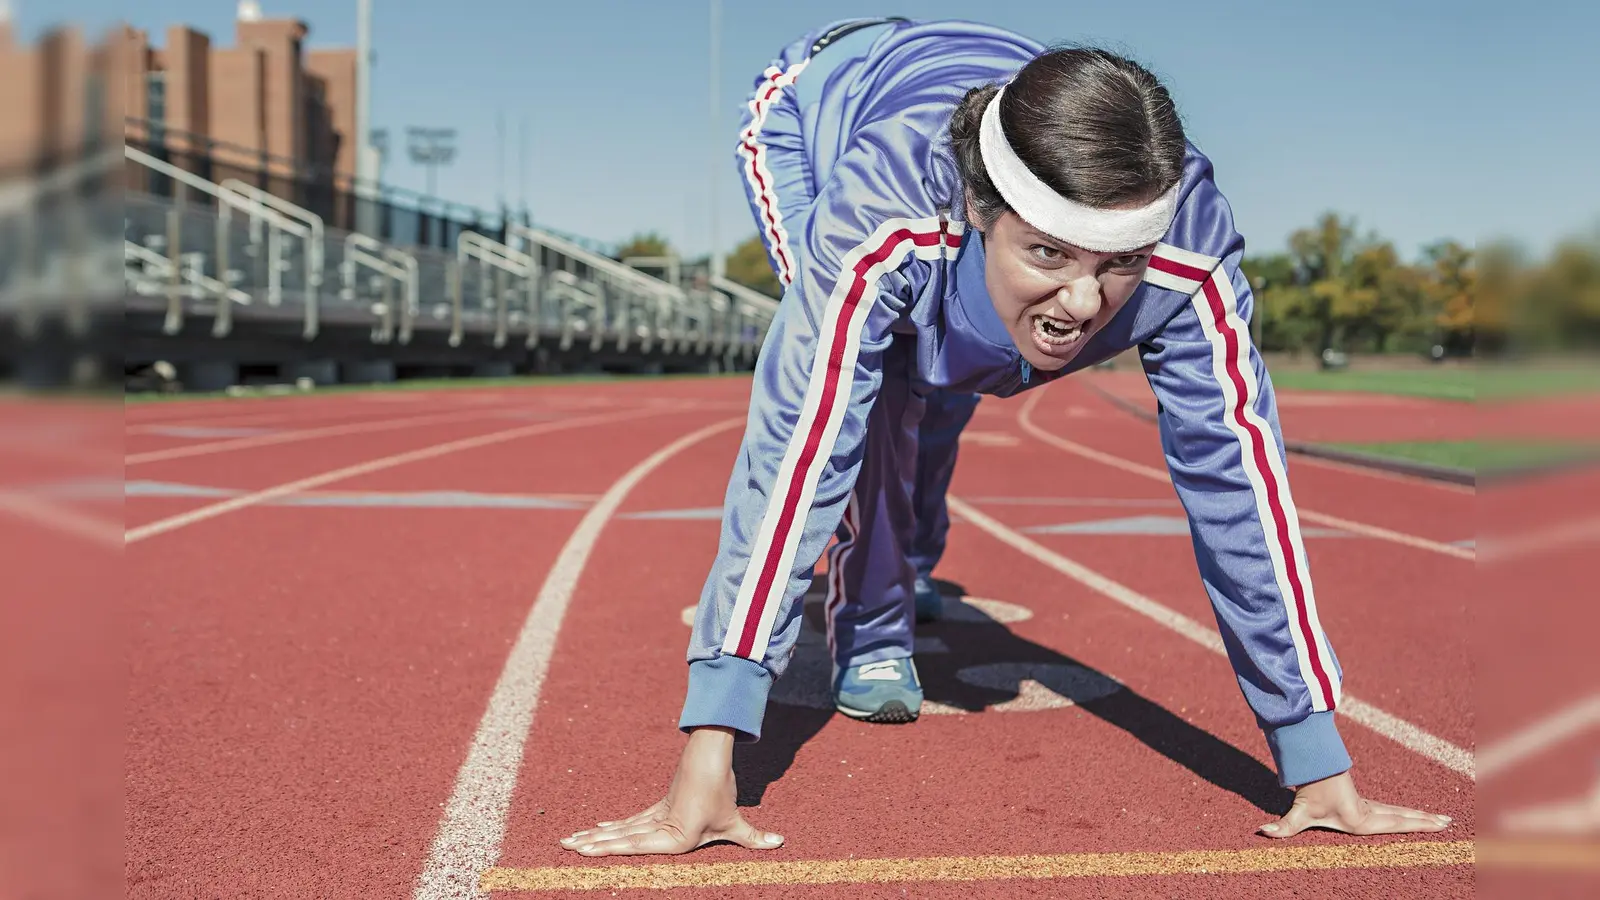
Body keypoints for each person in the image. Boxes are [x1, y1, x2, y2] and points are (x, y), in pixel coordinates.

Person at [562, 17, 1451, 856]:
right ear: (986, 211)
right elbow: (798, 450)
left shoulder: (1190, 252)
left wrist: (1316, 759)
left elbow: (1241, 489)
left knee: (958, 372)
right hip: (817, 104)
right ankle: (872, 625)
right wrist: (711, 754)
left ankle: (911, 553)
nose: (1082, 304)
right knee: (874, 391)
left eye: (1119, 267)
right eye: (1051, 255)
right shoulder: (884, 212)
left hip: (996, 101)